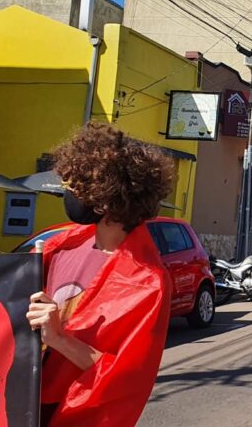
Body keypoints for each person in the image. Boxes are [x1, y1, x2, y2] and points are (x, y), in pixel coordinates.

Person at [26, 123, 174, 426]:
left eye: (76, 185)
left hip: (66, 410)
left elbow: (123, 377)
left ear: (107, 197)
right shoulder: (61, 246)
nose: (68, 192)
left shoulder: (147, 284)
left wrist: (58, 338)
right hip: (18, 395)